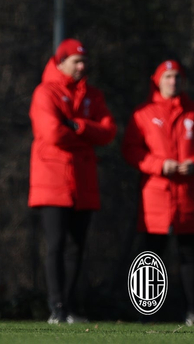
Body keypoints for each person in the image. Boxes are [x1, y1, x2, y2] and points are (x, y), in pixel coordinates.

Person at [28, 39, 116, 324]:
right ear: (61, 61)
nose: (82, 66)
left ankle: (69, 308)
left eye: (84, 61)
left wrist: (78, 126)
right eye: (76, 61)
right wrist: (87, 136)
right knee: (56, 245)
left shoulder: (93, 95)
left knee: (77, 247)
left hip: (83, 180)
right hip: (52, 180)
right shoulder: (45, 92)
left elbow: (108, 132)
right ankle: (56, 308)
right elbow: (52, 133)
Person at [121, 59, 194, 326]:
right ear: (157, 81)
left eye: (177, 77)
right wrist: (160, 165)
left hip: (188, 195)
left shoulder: (192, 112)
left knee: (189, 256)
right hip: (155, 195)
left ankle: (192, 313)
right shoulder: (143, 113)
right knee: (151, 255)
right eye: (168, 77)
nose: (173, 82)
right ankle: (146, 313)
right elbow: (131, 150)